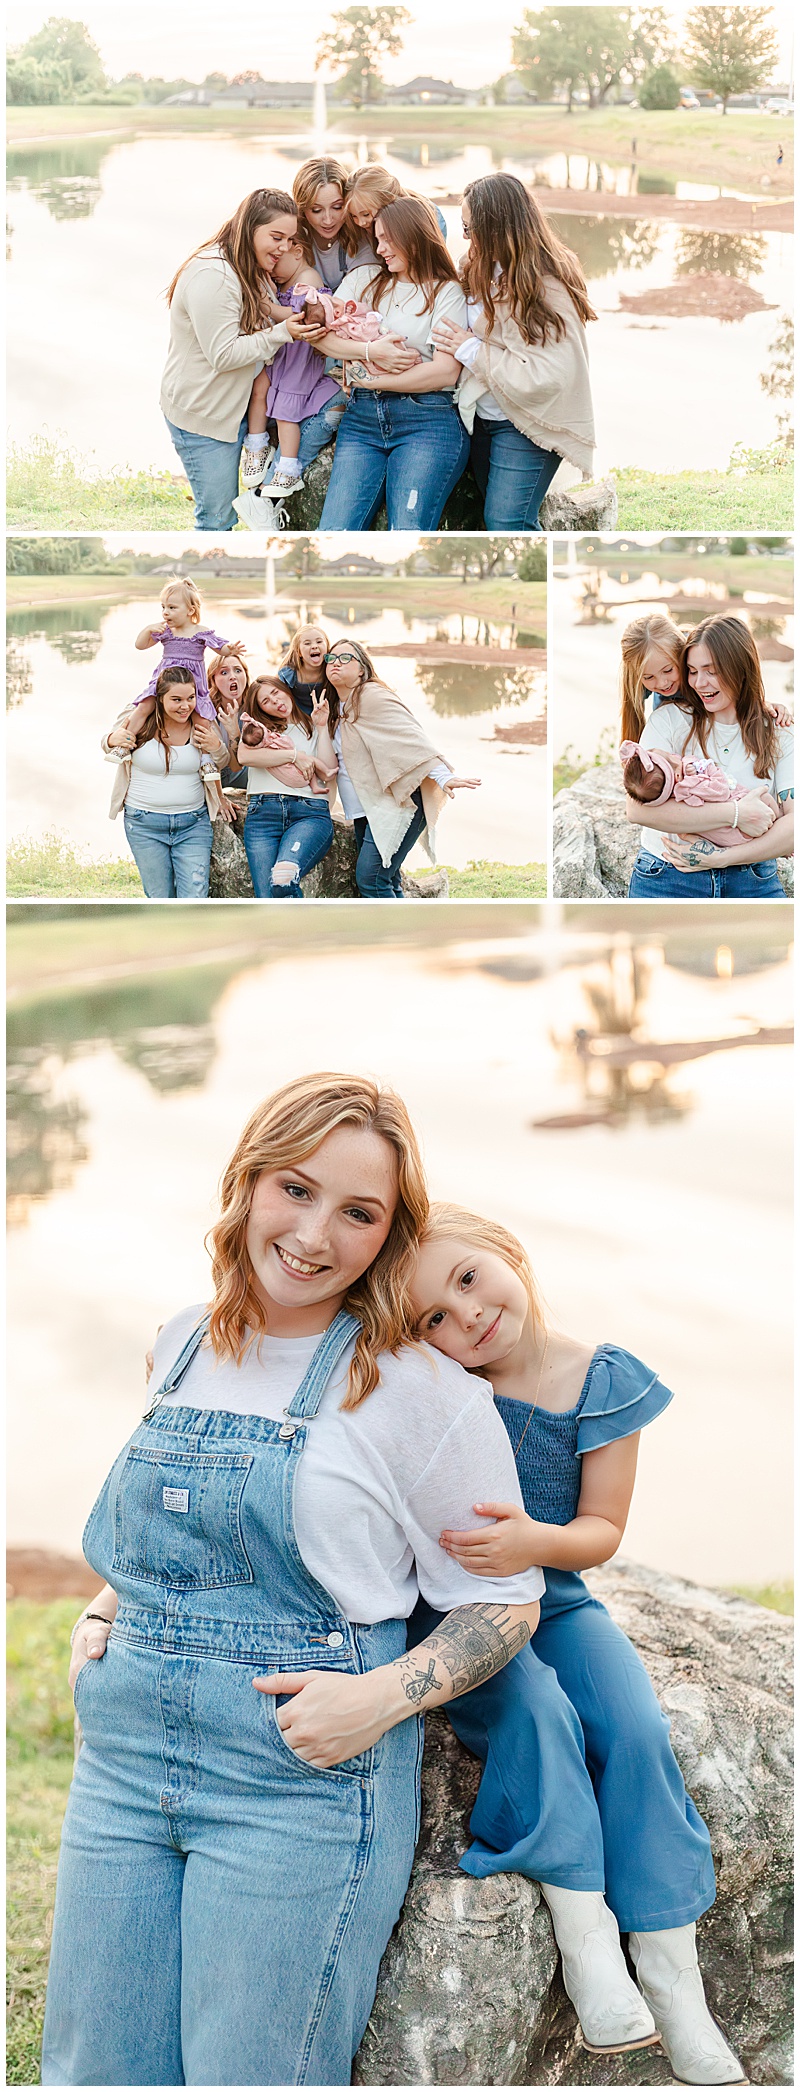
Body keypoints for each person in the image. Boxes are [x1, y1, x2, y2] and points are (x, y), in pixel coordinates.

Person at [42, 1075, 543, 2088]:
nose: (316, 1235)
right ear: (247, 1182)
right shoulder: (180, 1339)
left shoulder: (422, 1392)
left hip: (294, 1785)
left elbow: (505, 1597)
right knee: (94, 2070)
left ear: (390, 1234)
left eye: (359, 1212)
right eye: (295, 1188)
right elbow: (173, 1522)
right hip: (124, 1764)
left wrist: (379, 1696)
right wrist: (113, 1597)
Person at [409, 1203, 746, 2087]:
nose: (466, 1316)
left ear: (505, 1254)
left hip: (555, 1594)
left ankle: (675, 1979)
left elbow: (600, 1529)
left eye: (470, 1279)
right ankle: (587, 1941)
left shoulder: (601, 1378)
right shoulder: (434, 1387)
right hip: (456, 1610)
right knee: (536, 1711)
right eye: (433, 1319)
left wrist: (532, 1542)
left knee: (634, 1728)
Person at [431, 173, 597, 531]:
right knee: (494, 518)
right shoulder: (477, 267)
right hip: (483, 418)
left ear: (496, 228)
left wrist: (470, 348)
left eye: (470, 228)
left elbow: (549, 374)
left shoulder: (547, 282)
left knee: (508, 522)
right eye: (462, 227)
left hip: (525, 423)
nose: (464, 238)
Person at [161, 189, 327, 530]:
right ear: (249, 228)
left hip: (239, 405)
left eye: (289, 239)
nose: (283, 248)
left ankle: (266, 501)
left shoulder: (250, 267)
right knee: (217, 519)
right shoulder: (215, 276)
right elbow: (224, 355)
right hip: (206, 416)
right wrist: (284, 333)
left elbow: (268, 313)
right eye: (276, 237)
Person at [317, 199, 471, 531]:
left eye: (387, 238)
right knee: (333, 532)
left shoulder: (447, 292)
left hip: (427, 422)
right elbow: (321, 333)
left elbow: (444, 371)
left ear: (414, 235)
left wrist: (370, 379)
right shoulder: (368, 280)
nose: (380, 248)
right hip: (361, 422)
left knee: (407, 531)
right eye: (377, 239)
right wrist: (372, 351)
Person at [626, 615, 793, 898]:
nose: (699, 683)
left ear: (740, 668)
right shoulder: (667, 719)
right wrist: (737, 814)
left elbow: (794, 827)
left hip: (752, 879)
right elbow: (637, 810)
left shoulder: (779, 732)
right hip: (667, 876)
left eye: (711, 670)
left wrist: (725, 857)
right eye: (691, 671)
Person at [323, 639, 480, 898]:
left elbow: (410, 738)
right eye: (331, 658)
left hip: (400, 803)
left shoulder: (371, 695)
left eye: (345, 658)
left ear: (361, 669)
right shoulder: (334, 707)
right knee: (388, 878)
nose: (335, 663)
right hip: (368, 808)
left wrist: (444, 776)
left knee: (372, 879)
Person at [104, 667, 232, 899]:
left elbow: (222, 763)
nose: (185, 706)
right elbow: (108, 742)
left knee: (195, 895)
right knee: (159, 896)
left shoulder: (201, 724)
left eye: (190, 698)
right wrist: (112, 739)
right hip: (144, 824)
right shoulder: (140, 717)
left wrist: (216, 746)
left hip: (192, 824)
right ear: (159, 698)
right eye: (176, 700)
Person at [236, 238, 347, 504]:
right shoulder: (284, 279)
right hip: (281, 353)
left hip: (297, 360)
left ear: (298, 252)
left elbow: (298, 317)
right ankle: (257, 444)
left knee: (286, 412)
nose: (272, 267)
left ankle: (287, 467)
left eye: (278, 260)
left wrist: (268, 307)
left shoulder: (308, 279)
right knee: (259, 388)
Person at [238, 674, 336, 898]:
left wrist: (321, 728)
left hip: (308, 813)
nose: (275, 702)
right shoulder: (260, 732)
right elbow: (244, 757)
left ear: (285, 689)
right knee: (269, 899)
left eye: (275, 693)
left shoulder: (314, 725)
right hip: (263, 815)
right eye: (266, 702)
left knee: (284, 879)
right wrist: (294, 756)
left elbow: (329, 771)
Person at [620, 741, 754, 845]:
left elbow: (681, 759)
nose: (673, 758)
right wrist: (693, 776)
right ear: (676, 777)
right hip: (734, 828)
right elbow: (721, 791)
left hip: (736, 817)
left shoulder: (667, 785)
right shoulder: (687, 789)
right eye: (670, 762)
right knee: (765, 801)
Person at [343, 165, 448, 256]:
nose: (361, 223)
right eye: (354, 216)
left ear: (388, 201)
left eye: (366, 214)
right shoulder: (360, 229)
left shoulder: (430, 220)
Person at [277, 627, 330, 715]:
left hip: (327, 715)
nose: (314, 646)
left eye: (319, 642)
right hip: (299, 717)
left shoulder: (332, 669)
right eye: (307, 643)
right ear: (299, 652)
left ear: (327, 647)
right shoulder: (289, 674)